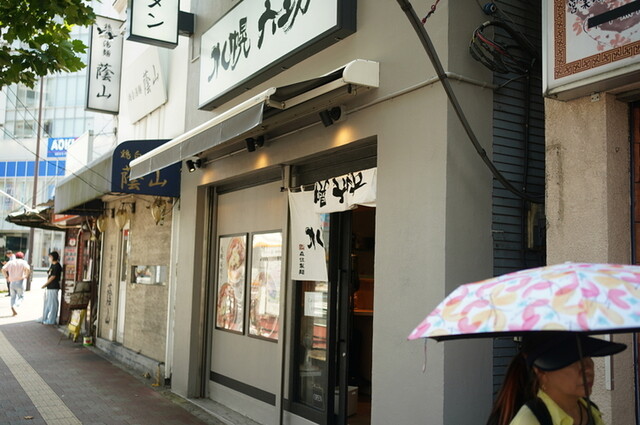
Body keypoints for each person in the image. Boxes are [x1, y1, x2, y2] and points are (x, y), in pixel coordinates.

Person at [486, 332, 627, 425]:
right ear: (540, 371)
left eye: (587, 355)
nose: (587, 368)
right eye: (572, 360)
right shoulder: (529, 420)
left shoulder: (590, 411)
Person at [2, 251, 30, 316]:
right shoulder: (23, 262)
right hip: (20, 282)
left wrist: (7, 277)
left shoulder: (10, 262)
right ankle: (15, 305)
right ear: (22, 257)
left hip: (12, 282)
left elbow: (3, 269)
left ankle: (13, 308)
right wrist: (26, 275)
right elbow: (28, 269)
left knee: (13, 297)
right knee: (21, 297)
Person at [41, 251, 62, 325]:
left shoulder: (57, 266)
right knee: (48, 303)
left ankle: (52, 320)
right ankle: (44, 317)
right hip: (50, 287)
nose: (49, 258)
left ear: (53, 257)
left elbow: (53, 276)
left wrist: (45, 284)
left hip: (54, 287)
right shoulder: (52, 265)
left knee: (53, 304)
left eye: (50, 257)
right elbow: (50, 273)